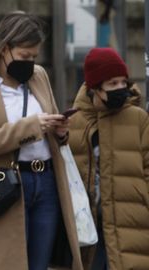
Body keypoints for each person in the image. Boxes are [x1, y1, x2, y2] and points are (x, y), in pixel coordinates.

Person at [0, 11, 83, 270]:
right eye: (25, 56)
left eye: (35, 56)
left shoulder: (39, 77)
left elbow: (50, 130)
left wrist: (60, 132)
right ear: (4, 49)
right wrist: (32, 127)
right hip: (6, 186)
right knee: (5, 263)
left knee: (40, 264)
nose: (31, 63)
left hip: (46, 182)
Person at [68, 47, 149, 270]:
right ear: (94, 88)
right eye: (112, 84)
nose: (121, 89)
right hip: (89, 229)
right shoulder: (74, 123)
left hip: (132, 223)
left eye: (123, 82)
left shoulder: (138, 119)